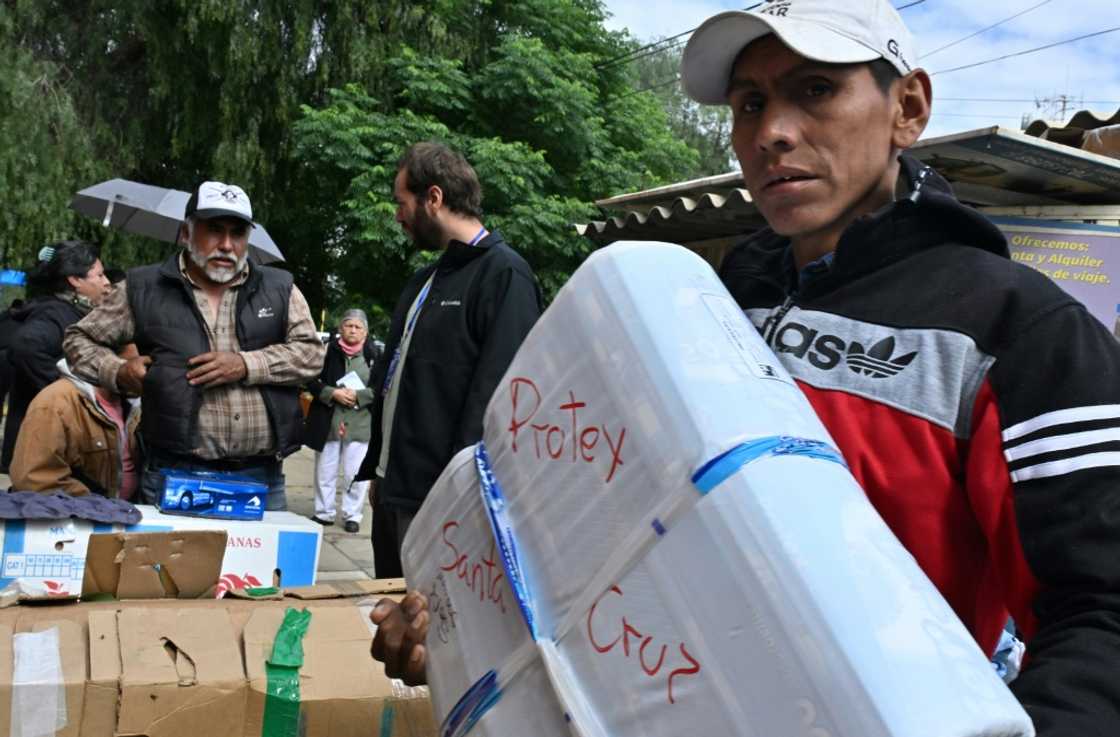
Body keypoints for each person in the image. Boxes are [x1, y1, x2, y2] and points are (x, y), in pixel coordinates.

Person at [368, 3, 1120, 733]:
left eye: (815, 89)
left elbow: (1102, 614)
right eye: (749, 103)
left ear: (909, 107)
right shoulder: (701, 309)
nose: (772, 133)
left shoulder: (1018, 329)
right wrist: (462, 625)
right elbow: (598, 534)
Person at [64, 181, 325, 511]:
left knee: (251, 565)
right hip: (173, 473)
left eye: (238, 233)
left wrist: (245, 365)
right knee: (169, 564)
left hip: (261, 477)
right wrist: (117, 371)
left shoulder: (279, 288)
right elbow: (78, 340)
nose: (227, 245)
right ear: (186, 234)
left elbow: (312, 355)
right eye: (214, 230)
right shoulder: (143, 288)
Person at [356, 141, 543, 576]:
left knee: (433, 635)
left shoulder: (504, 275)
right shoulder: (425, 280)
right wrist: (381, 472)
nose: (398, 216)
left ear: (433, 198)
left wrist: (458, 503)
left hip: (440, 507)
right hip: (393, 493)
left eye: (401, 203)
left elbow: (497, 401)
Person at [2, 242, 111, 471]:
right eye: (99, 275)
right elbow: (26, 345)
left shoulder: (50, 309)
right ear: (75, 280)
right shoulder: (57, 315)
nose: (106, 282)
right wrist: (70, 392)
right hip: (39, 448)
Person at [9, 346, 141, 498]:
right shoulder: (55, 402)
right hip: (83, 515)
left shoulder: (132, 401)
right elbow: (34, 479)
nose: (143, 371)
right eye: (134, 363)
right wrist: (100, 504)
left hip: (130, 513)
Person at [304, 309, 378, 533]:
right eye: (349, 325)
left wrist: (360, 396)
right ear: (340, 329)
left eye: (358, 327)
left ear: (365, 332)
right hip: (329, 421)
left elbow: (384, 387)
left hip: (360, 423)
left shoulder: (375, 356)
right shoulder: (325, 351)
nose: (353, 330)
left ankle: (352, 515)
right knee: (325, 471)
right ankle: (323, 512)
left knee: (355, 474)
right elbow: (309, 379)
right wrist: (331, 393)